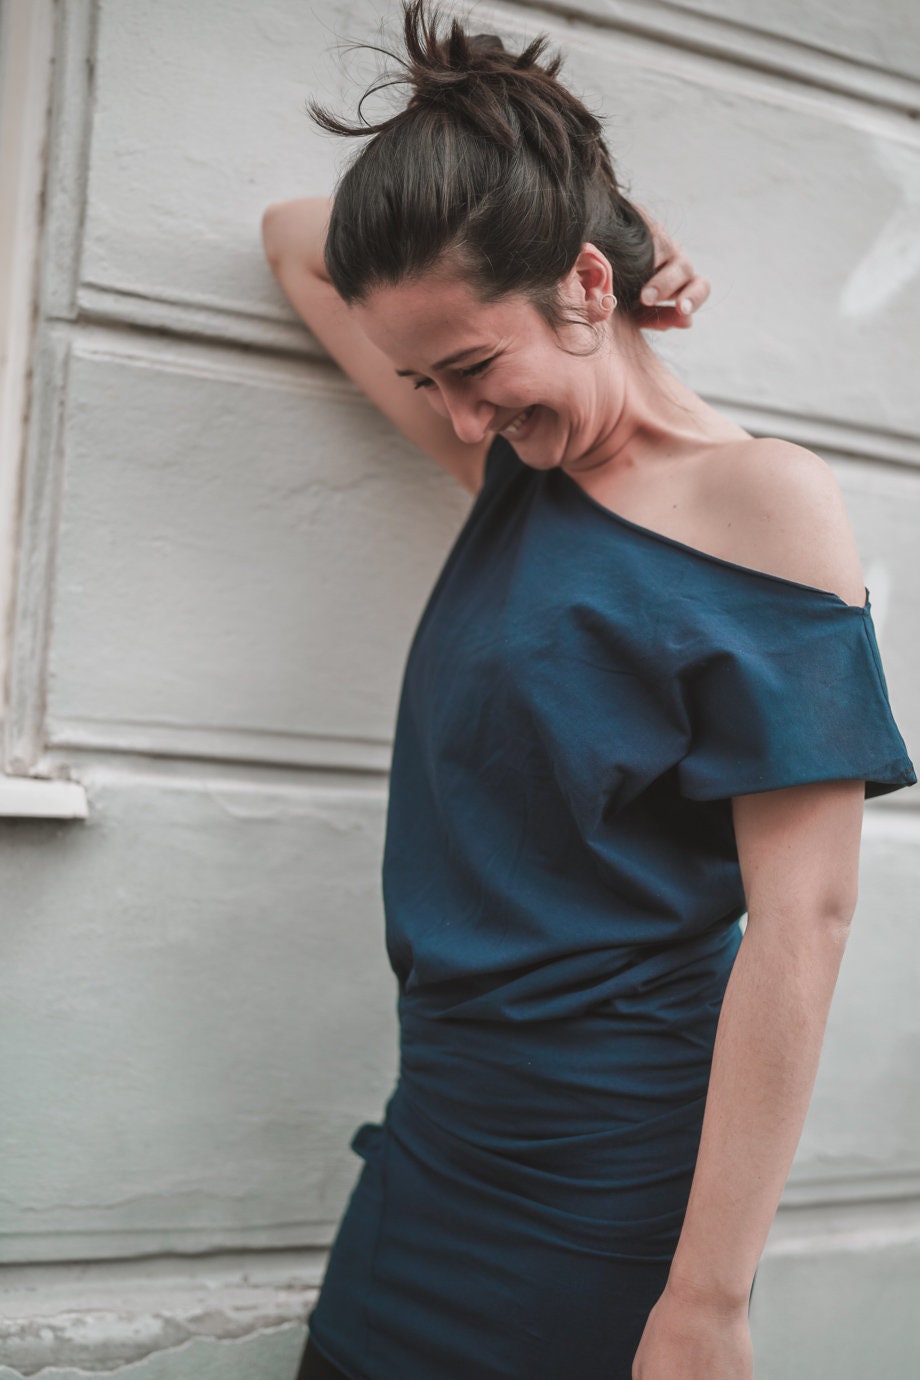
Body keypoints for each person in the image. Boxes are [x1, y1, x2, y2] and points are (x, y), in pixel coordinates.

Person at [261, 4, 917, 1377]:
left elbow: (807, 927)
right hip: (434, 1136)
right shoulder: (518, 479)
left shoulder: (764, 503)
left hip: (608, 1179)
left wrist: (709, 1300)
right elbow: (293, 235)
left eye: (475, 370)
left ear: (587, 291)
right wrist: (615, 220)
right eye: (428, 382)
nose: (457, 419)